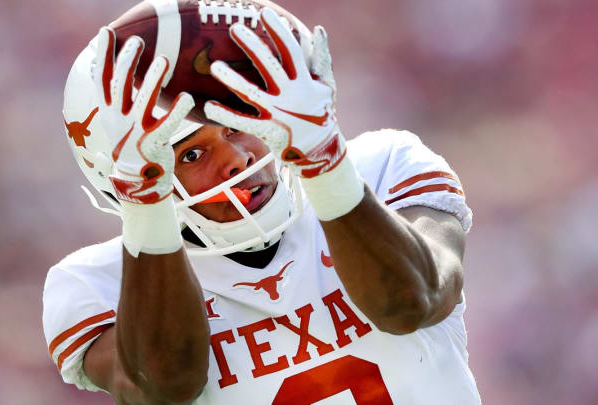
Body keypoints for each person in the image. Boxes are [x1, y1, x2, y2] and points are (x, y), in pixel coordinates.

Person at [44, 7, 481, 405]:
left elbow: (412, 302)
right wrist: (146, 207)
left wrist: (325, 159)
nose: (236, 160)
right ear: (120, 175)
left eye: (237, 127)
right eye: (192, 155)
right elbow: (163, 386)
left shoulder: (385, 168)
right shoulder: (95, 285)